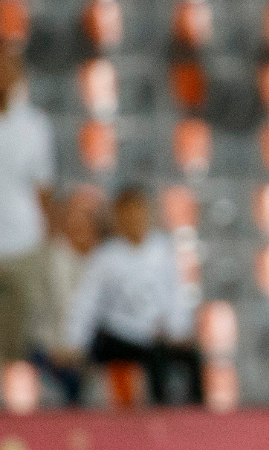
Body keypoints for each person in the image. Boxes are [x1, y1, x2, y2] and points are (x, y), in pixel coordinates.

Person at [65, 187, 203, 405]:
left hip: (157, 334)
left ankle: (198, 419)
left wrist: (178, 329)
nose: (134, 220)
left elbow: (176, 292)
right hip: (119, 334)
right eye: (127, 214)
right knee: (155, 356)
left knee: (191, 357)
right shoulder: (106, 256)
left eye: (138, 213)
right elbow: (86, 302)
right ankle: (159, 414)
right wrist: (76, 341)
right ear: (117, 218)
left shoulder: (163, 249)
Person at [0, 45, 55, 369]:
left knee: (19, 337)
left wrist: (48, 237)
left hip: (23, 240)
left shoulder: (35, 124)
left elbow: (42, 187)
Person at [29, 188, 106, 407]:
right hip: (50, 354)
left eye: (86, 218)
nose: (79, 225)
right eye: (73, 217)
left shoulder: (106, 259)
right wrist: (67, 349)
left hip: (94, 354)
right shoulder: (52, 257)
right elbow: (60, 310)